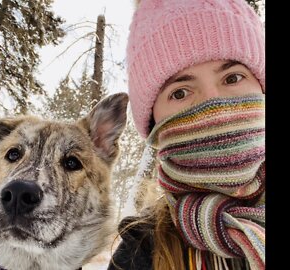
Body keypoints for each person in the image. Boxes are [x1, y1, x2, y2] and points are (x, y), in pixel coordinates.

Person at [108, 0, 265, 269]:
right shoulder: (141, 250)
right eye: (180, 93)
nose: (214, 105)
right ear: (154, 124)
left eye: (232, 78)